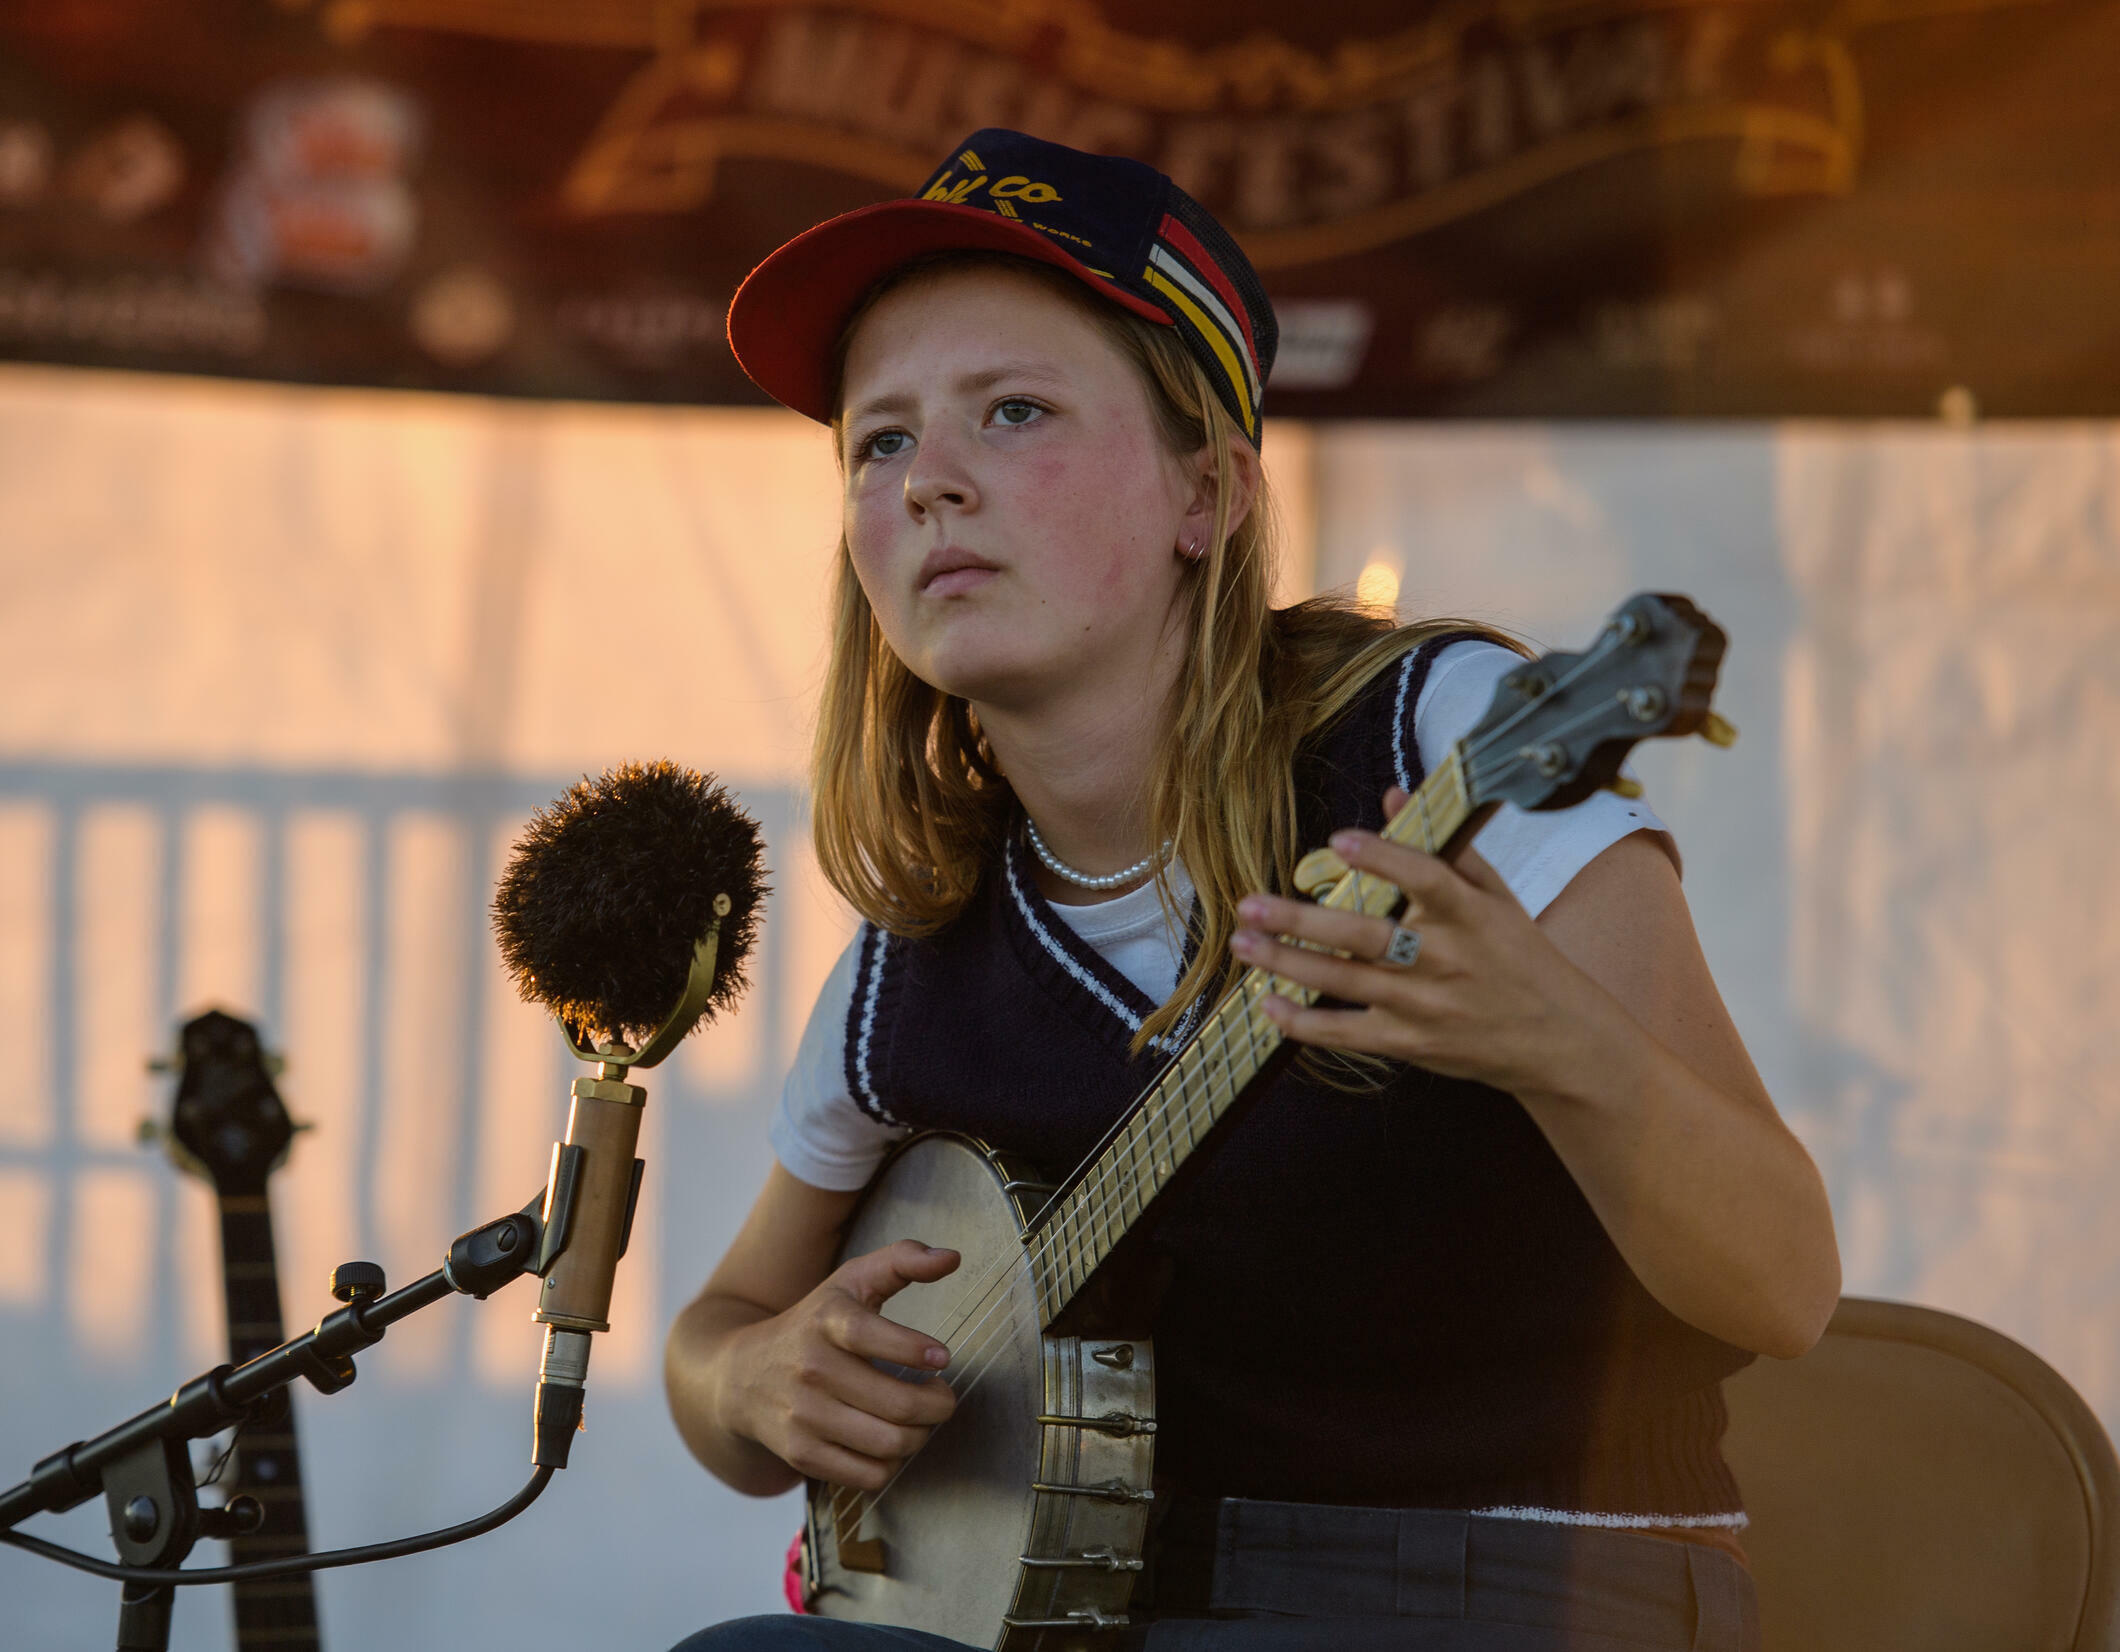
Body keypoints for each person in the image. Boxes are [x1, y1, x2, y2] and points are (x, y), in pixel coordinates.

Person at [663, 128, 1839, 1651]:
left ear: (1205, 493)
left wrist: (1554, 1042)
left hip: (1516, 1590)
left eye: (1011, 412)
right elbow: (716, 1343)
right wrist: (749, 1384)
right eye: (878, 443)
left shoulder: (1437, 744)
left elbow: (1787, 1280)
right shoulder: (919, 956)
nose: (931, 482)